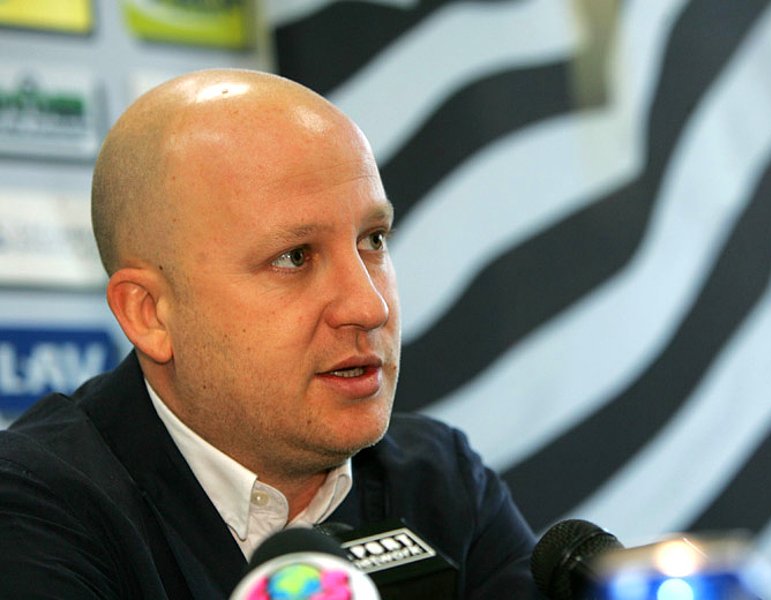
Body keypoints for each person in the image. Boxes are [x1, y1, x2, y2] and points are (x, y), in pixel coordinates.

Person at [0, 69, 541, 598]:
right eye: (294, 257)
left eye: (373, 240)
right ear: (150, 314)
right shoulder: (31, 508)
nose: (369, 307)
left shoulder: (441, 480)